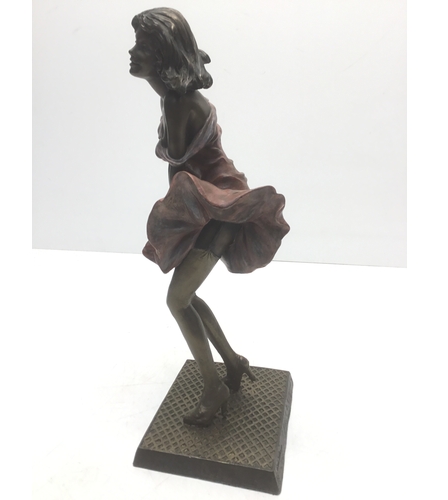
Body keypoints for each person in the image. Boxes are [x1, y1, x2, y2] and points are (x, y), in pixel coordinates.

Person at [129, 8, 290, 427]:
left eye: (142, 46)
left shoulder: (177, 102)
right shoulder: (174, 99)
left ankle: (214, 387)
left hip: (220, 210)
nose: (131, 52)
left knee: (177, 299)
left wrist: (155, 83)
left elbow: (178, 162)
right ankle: (232, 362)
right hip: (213, 206)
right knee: (188, 296)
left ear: (162, 55)